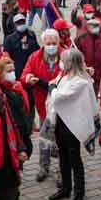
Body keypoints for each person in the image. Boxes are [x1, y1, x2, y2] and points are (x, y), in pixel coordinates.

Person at [47, 49, 98, 200]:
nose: (61, 63)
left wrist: (52, 88)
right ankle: (65, 188)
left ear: (71, 63)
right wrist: (53, 85)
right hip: (60, 123)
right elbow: (53, 84)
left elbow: (59, 96)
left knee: (75, 160)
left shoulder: (81, 82)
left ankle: (79, 194)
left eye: (64, 60)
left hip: (73, 126)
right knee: (63, 158)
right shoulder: (64, 76)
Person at [21, 29, 62, 182]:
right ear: (43, 43)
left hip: (62, 105)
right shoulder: (35, 57)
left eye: (54, 43)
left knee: (61, 138)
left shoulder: (65, 55)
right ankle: (44, 166)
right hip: (43, 105)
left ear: (58, 43)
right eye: (48, 43)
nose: (51, 46)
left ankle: (62, 169)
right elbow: (24, 74)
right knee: (45, 137)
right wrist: (28, 78)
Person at [0, 57, 34, 200]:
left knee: (18, 171)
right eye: (9, 71)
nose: (12, 73)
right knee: (8, 174)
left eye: (13, 70)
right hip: (10, 138)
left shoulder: (16, 87)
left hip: (21, 135)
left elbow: (25, 108)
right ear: (0, 73)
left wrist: (30, 125)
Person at [75, 19, 101, 93]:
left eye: (97, 26)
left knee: (94, 93)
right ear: (88, 26)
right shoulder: (81, 38)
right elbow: (76, 55)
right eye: (93, 26)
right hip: (84, 73)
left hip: (97, 74)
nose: (96, 28)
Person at [4, 13, 40, 79]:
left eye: (22, 22)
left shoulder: (32, 35)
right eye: (18, 23)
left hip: (32, 68)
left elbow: (37, 50)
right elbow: (6, 56)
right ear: (15, 25)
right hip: (18, 70)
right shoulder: (9, 39)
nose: (21, 24)